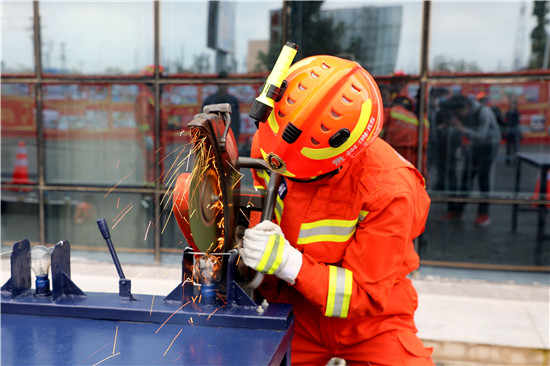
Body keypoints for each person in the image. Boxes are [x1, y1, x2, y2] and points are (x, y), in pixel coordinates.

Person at [240, 55, 434, 365]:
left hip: (372, 325)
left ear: (340, 155)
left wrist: (289, 263)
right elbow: (260, 205)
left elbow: (364, 295)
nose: (280, 169)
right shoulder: (272, 148)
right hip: (294, 312)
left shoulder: (389, 189)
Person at [443, 95, 501, 226]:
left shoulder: (484, 113)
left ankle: (484, 213)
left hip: (488, 146)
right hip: (475, 146)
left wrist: (462, 129)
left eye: (458, 113)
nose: (457, 115)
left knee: (483, 179)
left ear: (466, 107)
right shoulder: (467, 114)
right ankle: (459, 211)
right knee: (466, 177)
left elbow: (481, 136)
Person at [380, 93, 430, 178]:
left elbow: (376, 131)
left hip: (391, 154)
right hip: (414, 157)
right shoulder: (422, 120)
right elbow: (425, 144)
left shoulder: (390, 111)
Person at [134, 65, 166, 184]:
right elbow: (142, 119)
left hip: (157, 138)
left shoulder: (154, 97)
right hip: (150, 138)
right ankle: (149, 195)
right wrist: (147, 136)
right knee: (151, 165)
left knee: (157, 165)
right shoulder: (144, 97)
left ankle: (156, 191)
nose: (163, 84)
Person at [202, 71, 242, 152]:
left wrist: (234, 138)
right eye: (221, 83)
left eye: (225, 83)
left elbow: (236, 123)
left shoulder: (233, 101)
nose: (223, 86)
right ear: (217, 84)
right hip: (212, 138)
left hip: (229, 137)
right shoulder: (209, 100)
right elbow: (203, 120)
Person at [504, 99, 521, 166]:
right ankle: (507, 160)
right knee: (508, 147)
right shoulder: (508, 112)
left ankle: (515, 160)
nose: (513, 106)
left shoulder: (517, 113)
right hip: (509, 130)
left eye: (514, 104)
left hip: (514, 130)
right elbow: (506, 120)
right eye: (512, 104)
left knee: (515, 147)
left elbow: (516, 122)